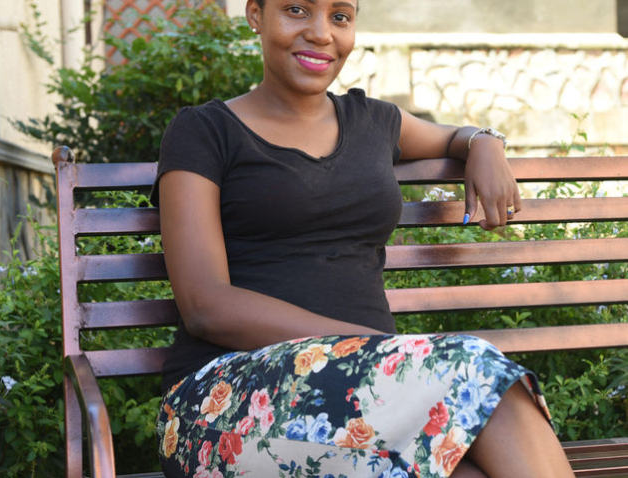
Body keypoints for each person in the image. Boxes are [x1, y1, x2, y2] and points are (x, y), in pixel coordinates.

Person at [151, 0, 576, 476]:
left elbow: (455, 136)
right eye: (296, 10)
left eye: (340, 16)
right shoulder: (204, 132)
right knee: (473, 367)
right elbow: (205, 304)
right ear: (255, 14)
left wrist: (485, 142)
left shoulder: (373, 122)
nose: (321, 33)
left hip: (367, 396)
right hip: (226, 400)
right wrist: (377, 347)